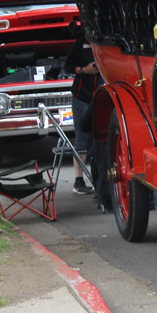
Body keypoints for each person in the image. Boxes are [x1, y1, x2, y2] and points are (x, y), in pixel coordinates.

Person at [64, 19, 97, 194]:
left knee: (100, 137)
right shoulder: (80, 44)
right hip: (82, 96)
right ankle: (79, 180)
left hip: (100, 95)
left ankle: (99, 177)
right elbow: (68, 66)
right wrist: (84, 70)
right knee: (82, 137)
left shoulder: (106, 43)